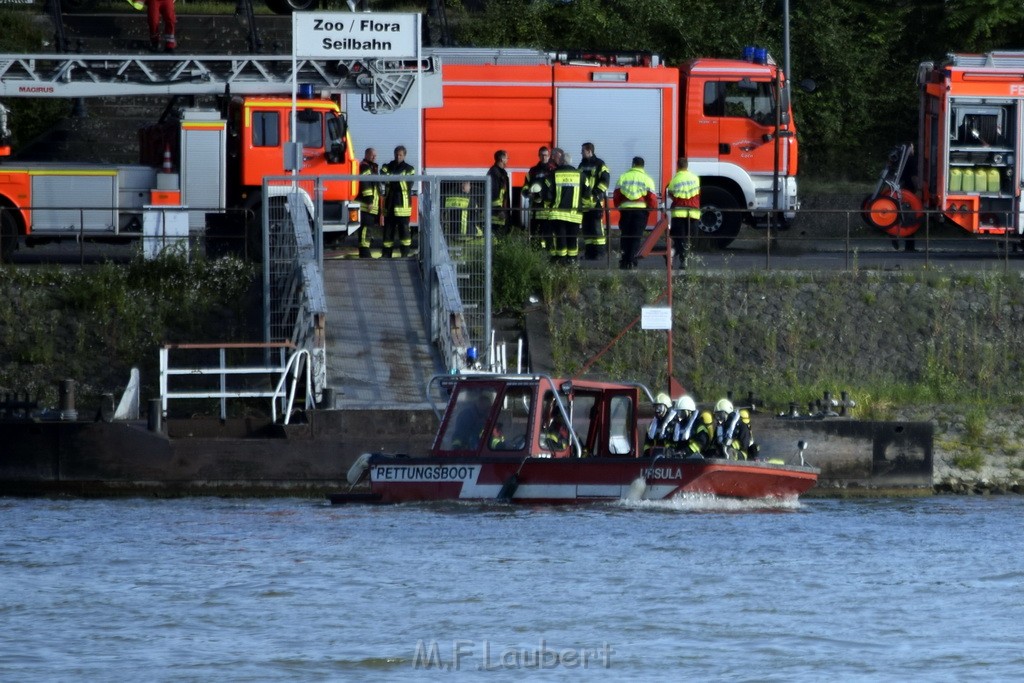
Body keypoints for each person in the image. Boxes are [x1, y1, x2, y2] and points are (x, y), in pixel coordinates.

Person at [613, 156, 658, 270]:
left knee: (625, 235)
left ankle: (624, 260)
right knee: (636, 237)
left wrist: (619, 206)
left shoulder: (623, 177)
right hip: (640, 212)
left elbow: (617, 195)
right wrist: (650, 209)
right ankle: (632, 261)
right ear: (643, 166)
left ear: (632, 164)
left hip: (626, 211)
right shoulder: (647, 179)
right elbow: (652, 198)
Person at [541, 150, 585, 264]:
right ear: (570, 162)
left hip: (558, 213)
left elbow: (546, 192)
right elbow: (587, 193)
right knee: (572, 239)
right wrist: (583, 206)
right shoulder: (581, 174)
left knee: (560, 238)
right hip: (575, 214)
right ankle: (572, 260)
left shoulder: (553, 174)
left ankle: (561, 260)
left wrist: (548, 203)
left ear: (561, 161)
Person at [665, 157, 701, 269]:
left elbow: (670, 193)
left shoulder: (675, 179)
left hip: (679, 213)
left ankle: (674, 254)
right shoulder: (695, 178)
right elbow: (698, 192)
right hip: (693, 213)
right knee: (690, 238)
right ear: (687, 165)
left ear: (677, 166)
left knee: (679, 238)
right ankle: (683, 259)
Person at [381, 145, 415, 258]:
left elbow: (408, 185)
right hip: (390, 206)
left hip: (403, 207)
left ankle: (405, 255)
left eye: (400, 155)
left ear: (404, 155)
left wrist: (392, 179)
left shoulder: (410, 169)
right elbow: (383, 176)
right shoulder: (388, 166)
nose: (398, 156)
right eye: (396, 154)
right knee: (387, 233)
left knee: (404, 233)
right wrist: (397, 179)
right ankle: (386, 255)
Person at [578, 142, 610, 260]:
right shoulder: (581, 165)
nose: (581, 153)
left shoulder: (600, 164)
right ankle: (590, 253)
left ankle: (600, 252)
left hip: (595, 202)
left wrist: (595, 194)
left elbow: (605, 181)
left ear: (589, 151)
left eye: (583, 151)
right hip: (584, 202)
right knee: (587, 229)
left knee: (597, 228)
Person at [523, 146, 554, 248]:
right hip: (535, 209)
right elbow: (525, 186)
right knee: (535, 235)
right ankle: (535, 255)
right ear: (538, 156)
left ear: (549, 156)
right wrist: (527, 192)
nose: (543, 157)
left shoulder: (553, 170)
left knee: (548, 235)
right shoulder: (533, 171)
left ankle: (548, 254)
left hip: (548, 209)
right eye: (541, 155)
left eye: (545, 155)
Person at [892, 143, 919, 253]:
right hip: (910, 191)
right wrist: (918, 189)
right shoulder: (912, 160)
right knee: (910, 217)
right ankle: (909, 246)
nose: (914, 149)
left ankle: (894, 235)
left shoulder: (902, 160)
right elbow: (914, 177)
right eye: (912, 147)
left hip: (902, 189)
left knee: (902, 215)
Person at [357, 147, 381, 259]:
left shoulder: (371, 167)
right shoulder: (365, 166)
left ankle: (365, 250)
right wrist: (370, 201)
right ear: (366, 155)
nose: (374, 157)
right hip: (366, 206)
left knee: (368, 229)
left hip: (370, 206)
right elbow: (366, 185)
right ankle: (364, 252)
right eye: (372, 155)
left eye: (375, 155)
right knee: (365, 228)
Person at [486, 149, 511, 234]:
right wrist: (499, 210)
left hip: (501, 212)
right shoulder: (494, 173)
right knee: (497, 236)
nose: (508, 160)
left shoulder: (501, 173)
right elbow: (493, 193)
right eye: (507, 158)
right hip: (496, 214)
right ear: (502, 159)